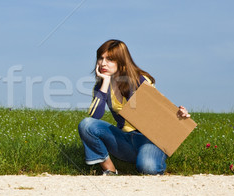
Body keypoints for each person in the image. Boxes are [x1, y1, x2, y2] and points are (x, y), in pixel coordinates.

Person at [78, 39, 191, 175]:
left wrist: (178, 113)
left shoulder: (140, 80)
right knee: (86, 124)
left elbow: (159, 106)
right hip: (124, 140)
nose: (103, 63)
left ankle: (152, 157)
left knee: (148, 168)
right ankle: (109, 169)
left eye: (109, 59)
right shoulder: (101, 86)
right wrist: (105, 82)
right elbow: (95, 115)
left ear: (121, 60)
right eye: (100, 58)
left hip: (149, 139)